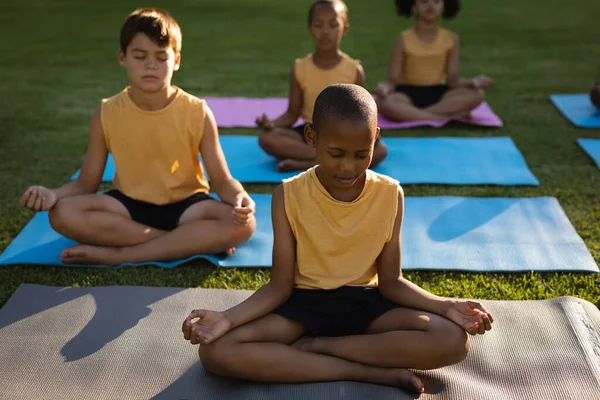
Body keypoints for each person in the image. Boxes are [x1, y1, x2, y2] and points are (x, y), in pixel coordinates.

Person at [183, 84, 493, 393]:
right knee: (216, 352)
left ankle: (320, 347)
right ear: (311, 138)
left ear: (375, 138)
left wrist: (445, 306)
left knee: (452, 341)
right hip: (303, 307)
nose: (349, 166)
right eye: (336, 153)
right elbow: (279, 286)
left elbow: (392, 281)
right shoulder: (287, 195)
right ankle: (368, 372)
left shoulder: (391, 194)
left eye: (362, 154)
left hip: (368, 305)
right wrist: (227, 318)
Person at [19, 8, 255, 265]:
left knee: (245, 225)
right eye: (140, 56)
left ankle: (121, 254)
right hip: (127, 207)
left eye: (161, 57)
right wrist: (53, 194)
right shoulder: (107, 112)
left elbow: (221, 181)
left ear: (176, 60)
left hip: (188, 206)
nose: (150, 65)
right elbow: (85, 184)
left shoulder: (198, 111)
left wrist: (241, 197)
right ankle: (185, 241)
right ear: (123, 57)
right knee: (62, 213)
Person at [256, 0, 387, 172]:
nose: (325, 31)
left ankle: (309, 163)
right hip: (310, 133)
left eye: (333, 25)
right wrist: (272, 124)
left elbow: (362, 114)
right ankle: (328, 159)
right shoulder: (300, 69)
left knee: (381, 150)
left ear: (344, 29)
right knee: (267, 139)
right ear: (310, 28)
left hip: (343, 134)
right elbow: (291, 114)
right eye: (319, 25)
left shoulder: (354, 70)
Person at [375, 0, 494, 122]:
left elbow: (453, 81)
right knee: (383, 101)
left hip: (440, 94)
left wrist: (473, 82)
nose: (430, 6)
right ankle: (445, 118)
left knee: (477, 94)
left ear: (445, 6)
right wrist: (384, 88)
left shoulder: (451, 39)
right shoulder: (402, 39)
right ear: (413, 6)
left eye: (436, 1)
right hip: (406, 94)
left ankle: (413, 115)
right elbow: (391, 81)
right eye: (424, 1)